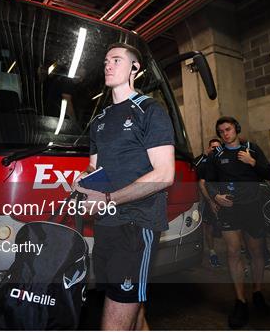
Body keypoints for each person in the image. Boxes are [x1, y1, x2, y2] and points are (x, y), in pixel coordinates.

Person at [74, 42, 175, 330]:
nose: (108, 65)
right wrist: (83, 178)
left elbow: (165, 173)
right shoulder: (100, 120)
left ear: (135, 68)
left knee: (115, 321)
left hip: (136, 225)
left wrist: (107, 198)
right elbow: (96, 167)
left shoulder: (150, 110)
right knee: (133, 305)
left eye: (116, 60)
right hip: (106, 225)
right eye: (106, 60)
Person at [205, 116, 270, 329]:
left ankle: (258, 292)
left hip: (252, 207)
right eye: (221, 131)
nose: (225, 133)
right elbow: (209, 181)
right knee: (233, 252)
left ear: (236, 129)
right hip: (229, 209)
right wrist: (216, 197)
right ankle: (240, 301)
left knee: (256, 252)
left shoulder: (252, 148)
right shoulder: (216, 155)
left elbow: (269, 173)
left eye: (228, 129)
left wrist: (252, 162)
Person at [194, 138, 222, 267]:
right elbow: (201, 182)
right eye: (213, 147)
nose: (215, 150)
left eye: (218, 147)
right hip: (210, 199)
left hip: (226, 199)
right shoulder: (205, 162)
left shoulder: (225, 160)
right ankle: (212, 253)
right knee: (209, 227)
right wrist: (210, 201)